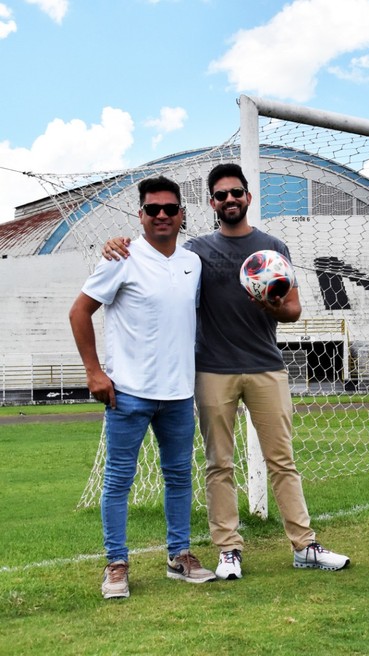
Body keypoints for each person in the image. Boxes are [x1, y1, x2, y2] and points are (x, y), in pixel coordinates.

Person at [104, 163, 349, 580]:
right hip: (212, 370)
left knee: (282, 460)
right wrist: (117, 244)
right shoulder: (196, 252)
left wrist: (267, 301)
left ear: (248, 197)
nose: (229, 200)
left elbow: (292, 309)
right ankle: (228, 550)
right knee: (219, 462)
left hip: (266, 367)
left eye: (236, 193)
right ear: (211, 204)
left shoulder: (273, 248)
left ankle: (305, 545)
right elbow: (159, 259)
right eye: (220, 196)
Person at [70, 176, 216, 599]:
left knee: (178, 477)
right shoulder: (121, 257)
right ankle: (116, 565)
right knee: (118, 480)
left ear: (182, 215)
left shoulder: (192, 263)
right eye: (153, 209)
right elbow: (79, 312)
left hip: (178, 394)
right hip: (128, 392)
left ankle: (179, 556)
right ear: (141, 215)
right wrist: (94, 372)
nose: (163, 215)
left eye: (170, 208)